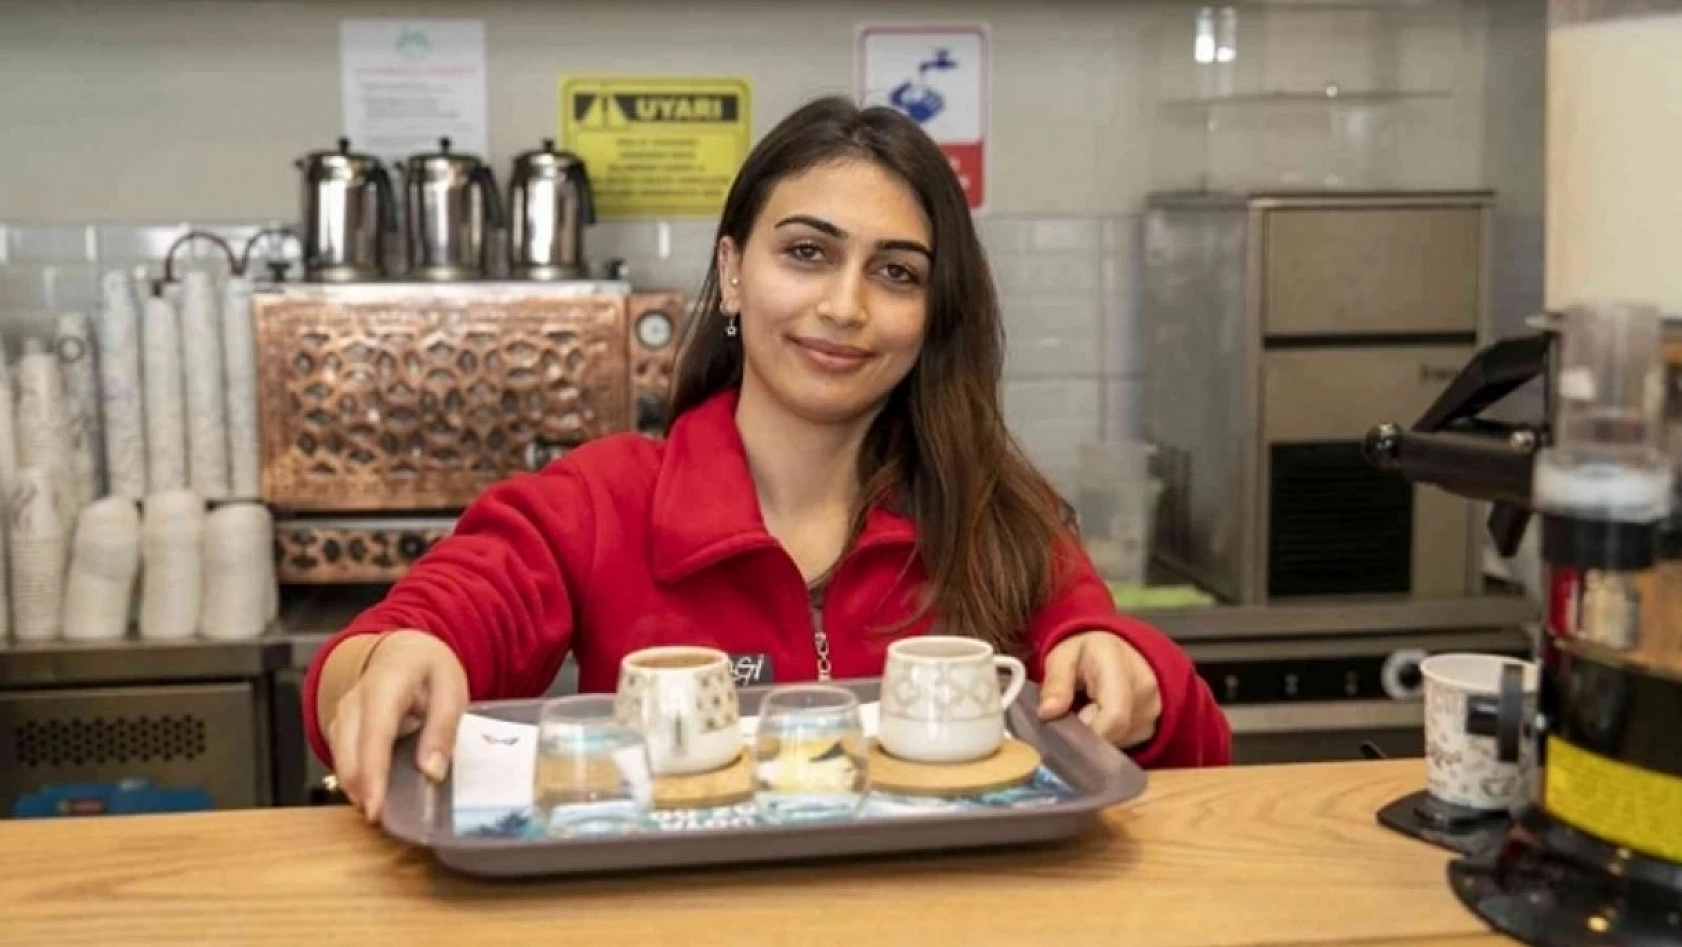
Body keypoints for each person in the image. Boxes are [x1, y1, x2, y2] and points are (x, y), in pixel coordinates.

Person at [307, 95, 1231, 821]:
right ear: (733, 272)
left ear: (931, 314)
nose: (845, 306)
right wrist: (395, 658)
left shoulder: (998, 511)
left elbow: (1197, 751)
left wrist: (1128, 667)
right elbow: (390, 645)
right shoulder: (601, 500)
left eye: (896, 272)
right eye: (807, 252)